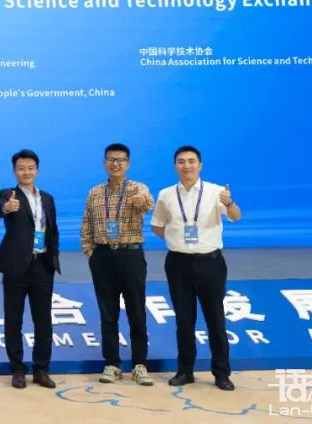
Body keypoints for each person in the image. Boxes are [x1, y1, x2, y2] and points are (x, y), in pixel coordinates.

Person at [151, 145, 241, 391]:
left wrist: (229, 203)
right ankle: (185, 371)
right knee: (184, 320)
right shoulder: (166, 194)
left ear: (200, 165)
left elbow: (236, 216)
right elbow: (157, 226)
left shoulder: (217, 192)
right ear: (175, 166)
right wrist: (177, 241)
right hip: (178, 263)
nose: (186, 166)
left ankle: (221, 373)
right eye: (181, 161)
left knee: (215, 320)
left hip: (210, 263)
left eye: (191, 161)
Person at [79, 143, 154, 386]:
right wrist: (91, 253)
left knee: (136, 312)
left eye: (121, 160)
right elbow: (86, 226)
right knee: (108, 314)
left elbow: (148, 204)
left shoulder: (138, 188)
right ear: (104, 163)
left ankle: (140, 365)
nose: (116, 164)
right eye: (111, 159)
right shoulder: (95, 192)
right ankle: (112, 364)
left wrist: (140, 200)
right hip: (102, 257)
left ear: (128, 164)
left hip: (130, 256)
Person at [0, 149, 60, 389]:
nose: (26, 172)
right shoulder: (8, 194)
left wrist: (53, 259)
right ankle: (18, 369)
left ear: (37, 170)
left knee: (44, 321)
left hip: (43, 266)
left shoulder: (48, 198)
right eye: (21, 168)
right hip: (16, 267)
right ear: (15, 171)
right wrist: (7, 207)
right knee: (13, 320)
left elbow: (53, 230)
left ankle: (41, 369)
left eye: (30, 168)